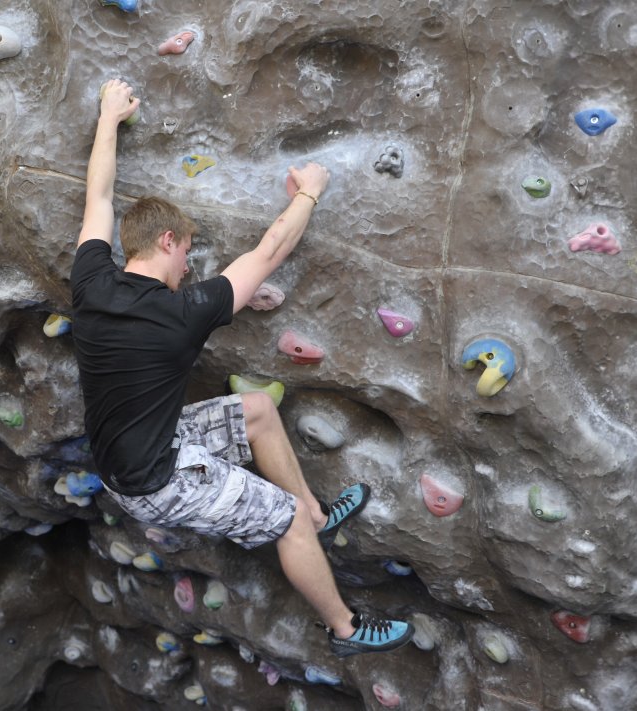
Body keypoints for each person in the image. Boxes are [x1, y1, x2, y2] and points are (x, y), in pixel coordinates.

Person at [70, 79, 413, 657]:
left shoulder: (90, 281)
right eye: (186, 253)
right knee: (284, 525)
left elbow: (98, 199)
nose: (188, 264)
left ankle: (317, 512)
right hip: (154, 481)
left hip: (137, 451)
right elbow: (269, 251)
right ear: (167, 239)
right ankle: (347, 629)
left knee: (257, 410)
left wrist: (109, 116)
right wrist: (309, 192)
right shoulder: (182, 312)